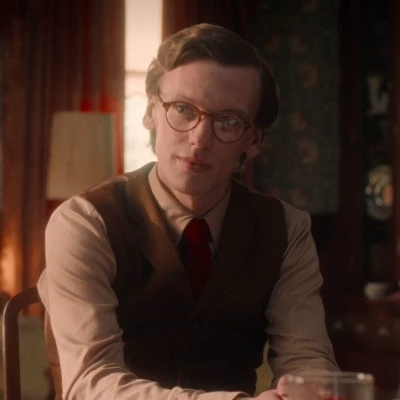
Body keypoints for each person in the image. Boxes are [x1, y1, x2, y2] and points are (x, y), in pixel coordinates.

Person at [38, 23, 339, 400]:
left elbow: (306, 357)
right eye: (183, 109)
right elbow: (90, 383)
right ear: (151, 112)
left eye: (227, 121)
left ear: (254, 140)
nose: (199, 139)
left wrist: (310, 391)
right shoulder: (85, 222)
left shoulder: (287, 228)